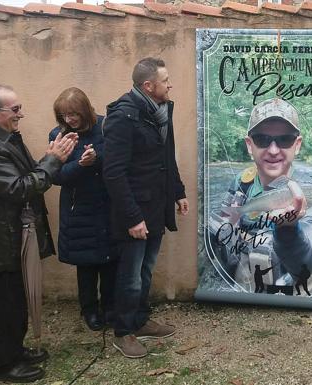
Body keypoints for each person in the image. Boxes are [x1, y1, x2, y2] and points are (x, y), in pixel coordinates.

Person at [0, 84, 77, 383]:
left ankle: (16, 351)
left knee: (16, 298)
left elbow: (25, 175)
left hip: (14, 234)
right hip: (3, 237)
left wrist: (48, 158)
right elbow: (18, 188)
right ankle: (5, 365)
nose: (21, 114)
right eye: (15, 109)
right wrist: (53, 160)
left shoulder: (4, 137)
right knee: (8, 302)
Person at [103, 57, 189, 359]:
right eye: (165, 81)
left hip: (156, 208)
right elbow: (113, 173)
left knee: (146, 269)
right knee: (130, 274)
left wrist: (178, 192)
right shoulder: (122, 118)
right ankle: (123, 331)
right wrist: (132, 217)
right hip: (134, 214)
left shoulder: (160, 113)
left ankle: (140, 320)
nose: (170, 85)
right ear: (148, 86)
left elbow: (168, 157)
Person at [208, 98, 312, 296]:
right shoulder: (241, 183)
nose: (274, 150)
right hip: (248, 290)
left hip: (295, 298)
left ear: (297, 144)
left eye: (285, 139)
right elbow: (226, 228)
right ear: (250, 145)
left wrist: (288, 230)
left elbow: (306, 264)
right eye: (262, 139)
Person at [49, 88, 117, 331]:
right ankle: (89, 310)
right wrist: (80, 165)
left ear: (85, 109)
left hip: (108, 205)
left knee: (111, 261)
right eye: (64, 115)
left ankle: (110, 307)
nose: (69, 120)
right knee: (86, 265)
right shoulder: (59, 135)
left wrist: (96, 158)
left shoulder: (106, 126)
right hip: (79, 209)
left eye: (73, 114)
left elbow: (118, 159)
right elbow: (56, 176)